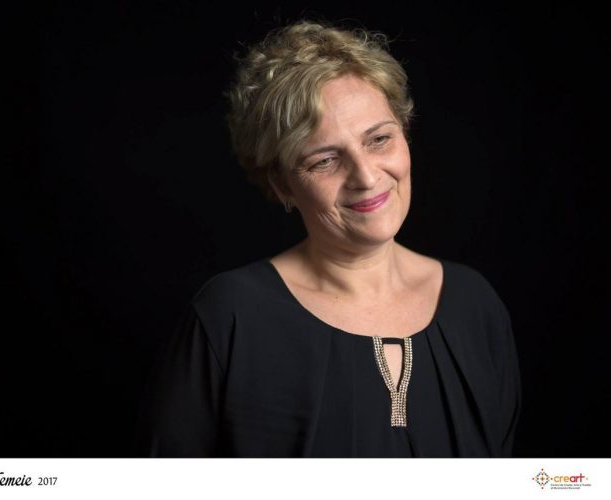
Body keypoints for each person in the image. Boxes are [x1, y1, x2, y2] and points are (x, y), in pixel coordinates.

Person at [132, 19, 522, 457]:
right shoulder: (229, 317)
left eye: (379, 139)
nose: (366, 177)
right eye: (325, 160)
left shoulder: (476, 305)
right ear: (282, 184)